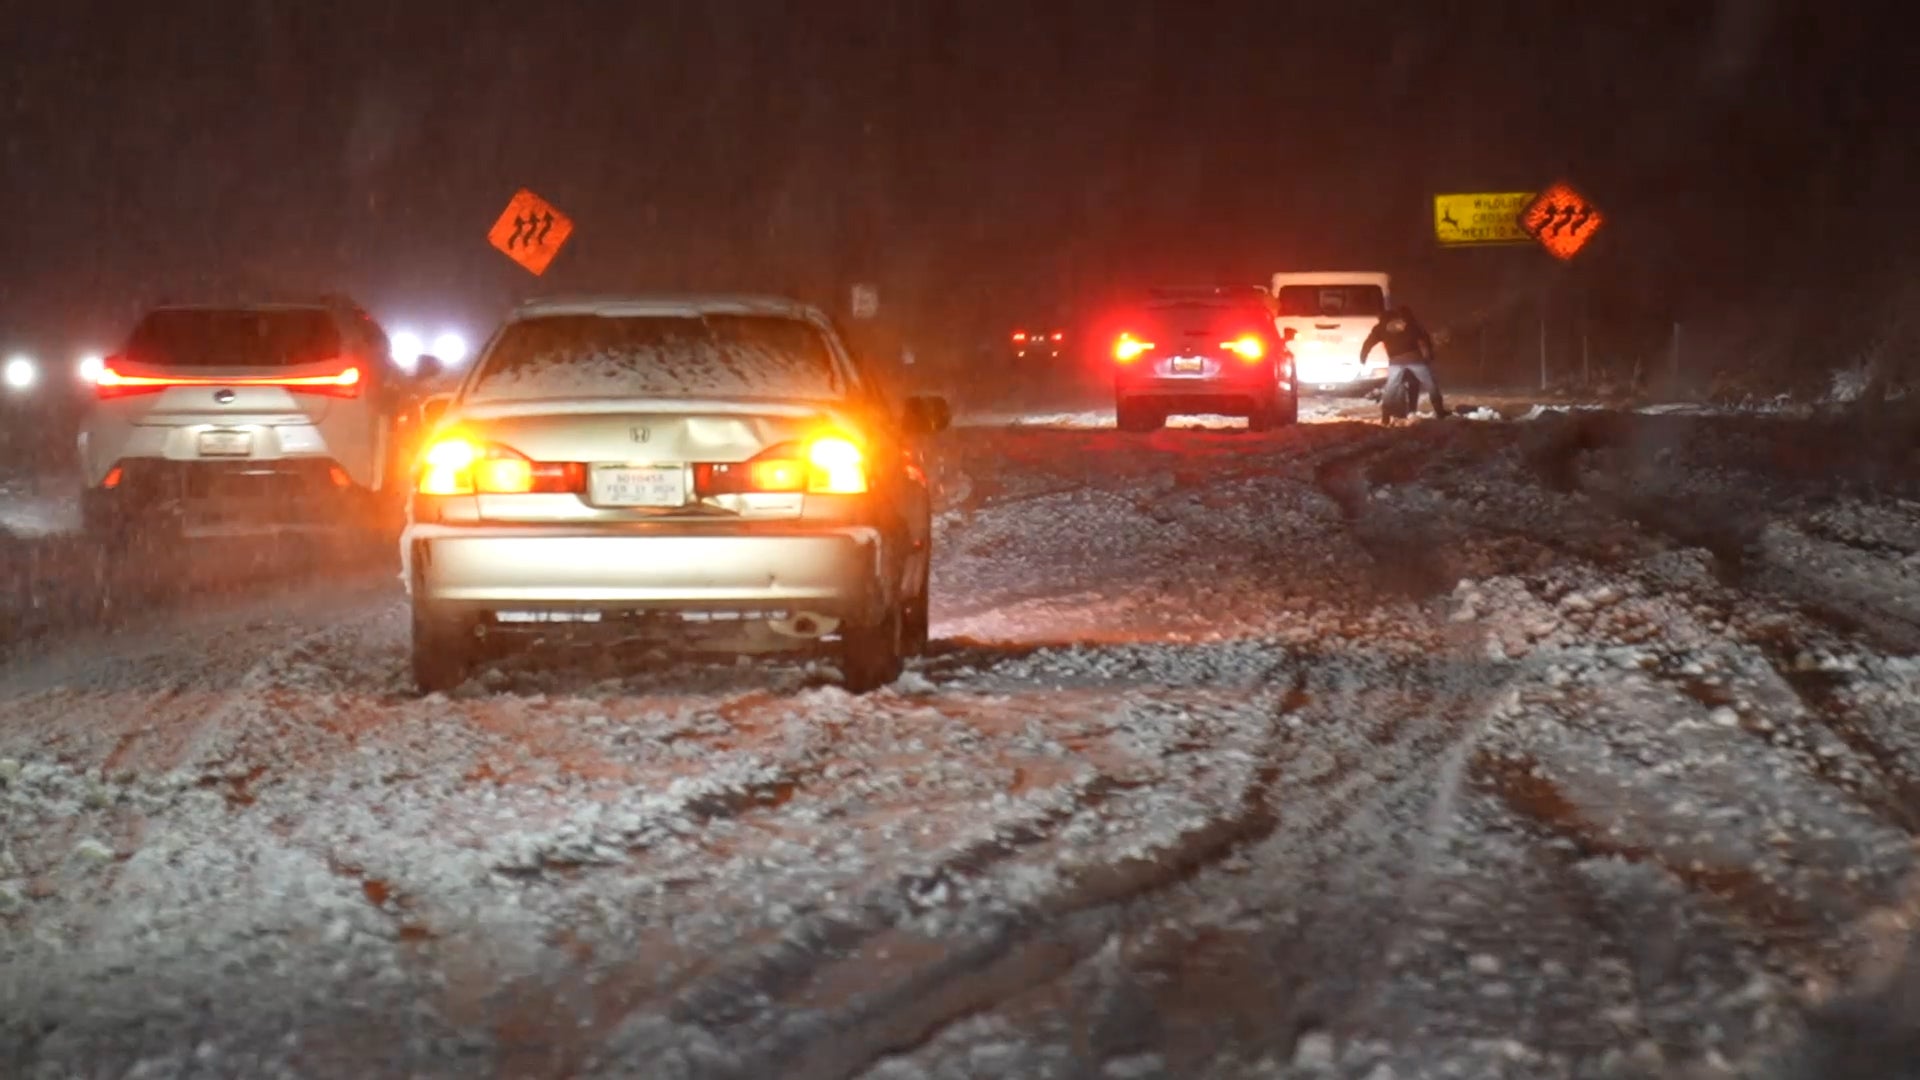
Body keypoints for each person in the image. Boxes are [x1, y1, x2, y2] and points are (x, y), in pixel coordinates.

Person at [1361, 304, 1448, 421]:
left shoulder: (1380, 327)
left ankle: (1385, 416)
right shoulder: (1410, 324)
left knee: (1391, 389)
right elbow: (1424, 340)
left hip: (1395, 361)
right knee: (1430, 384)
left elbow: (1369, 343)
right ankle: (1439, 411)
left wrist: (1363, 356)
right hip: (1414, 359)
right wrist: (1429, 355)